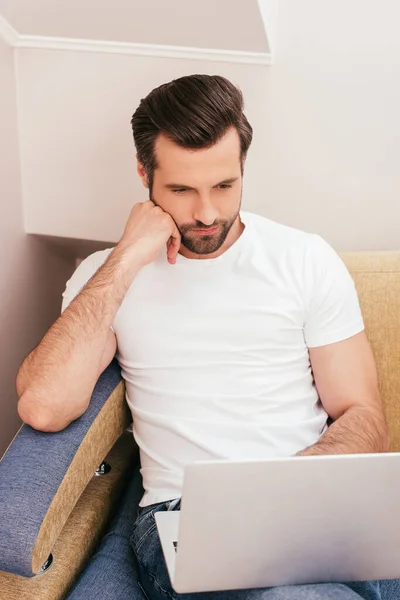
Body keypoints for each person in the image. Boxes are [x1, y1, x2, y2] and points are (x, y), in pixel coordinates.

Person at [16, 75, 397, 600]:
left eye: (225, 185)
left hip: (311, 501)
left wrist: (291, 495)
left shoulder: (304, 259)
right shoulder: (106, 278)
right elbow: (44, 405)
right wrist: (128, 255)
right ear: (143, 175)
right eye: (181, 190)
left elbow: (364, 416)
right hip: (184, 514)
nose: (207, 213)